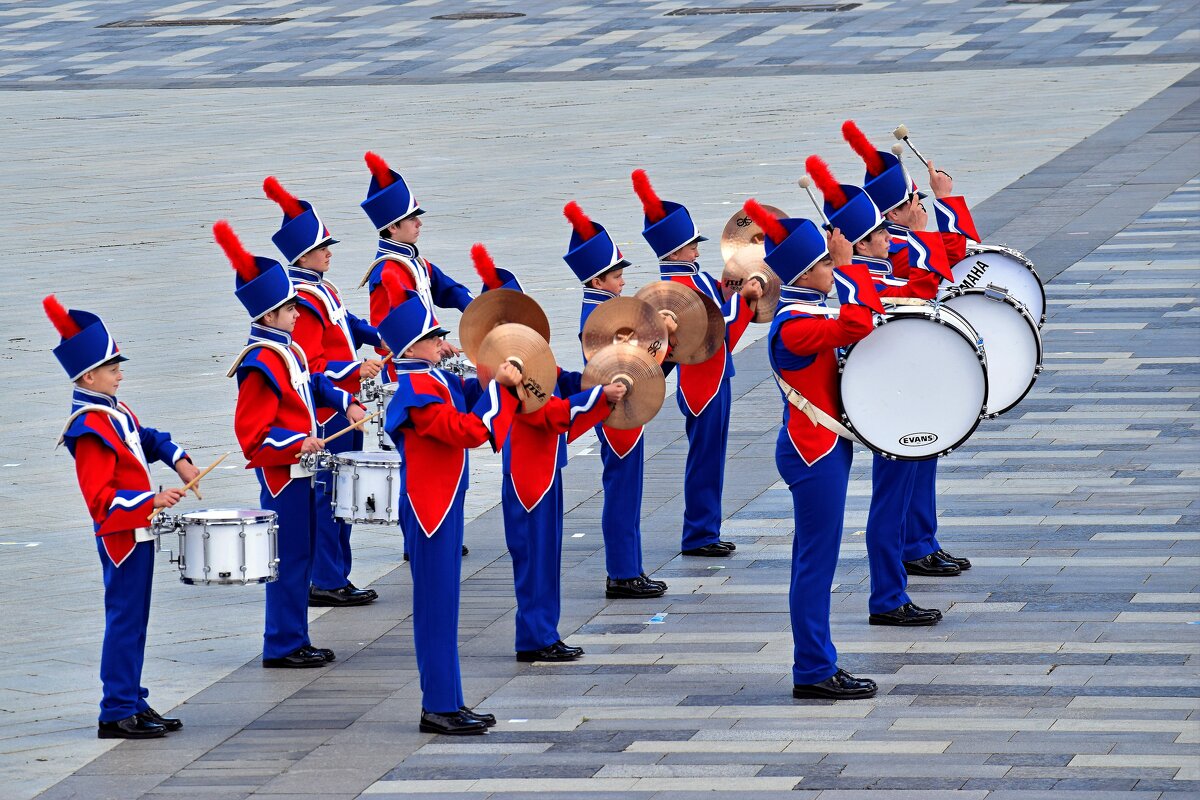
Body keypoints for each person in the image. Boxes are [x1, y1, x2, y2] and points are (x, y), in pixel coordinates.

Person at [744, 198, 882, 699]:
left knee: (816, 558)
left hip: (822, 447)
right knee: (815, 562)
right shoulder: (796, 324)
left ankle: (818, 663)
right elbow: (860, 322)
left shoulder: (805, 309)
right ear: (805, 273)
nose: (832, 266)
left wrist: (843, 270)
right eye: (824, 262)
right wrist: (850, 269)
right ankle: (814, 669)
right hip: (813, 452)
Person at [805, 153, 948, 628]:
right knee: (889, 506)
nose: (892, 237)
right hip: (888, 407)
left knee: (896, 500)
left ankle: (892, 590)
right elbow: (930, 281)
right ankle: (887, 597)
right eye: (882, 234)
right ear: (862, 245)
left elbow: (930, 278)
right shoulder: (867, 284)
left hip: (898, 399)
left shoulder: (873, 278)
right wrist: (933, 219)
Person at [215, 221, 365, 669]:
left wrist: (345, 400)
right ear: (267, 315)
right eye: (289, 309)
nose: (298, 314)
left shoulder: (287, 349)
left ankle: (295, 637)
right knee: (290, 559)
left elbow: (313, 384)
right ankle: (283, 642)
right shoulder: (259, 362)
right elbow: (254, 437)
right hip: (284, 477)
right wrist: (299, 441)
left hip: (303, 468)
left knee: (300, 555)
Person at [376, 267, 520, 735]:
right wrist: (501, 388)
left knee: (445, 606)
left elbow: (469, 395)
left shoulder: (431, 379)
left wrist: (494, 372)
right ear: (412, 347)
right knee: (437, 607)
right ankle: (438, 705)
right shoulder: (417, 391)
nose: (443, 343)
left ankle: (450, 700)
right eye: (434, 337)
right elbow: (468, 430)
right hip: (431, 509)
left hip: (443, 502)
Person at [47, 294, 199, 738]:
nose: (121, 374)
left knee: (136, 619)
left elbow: (145, 439)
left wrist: (179, 457)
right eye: (114, 369)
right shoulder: (89, 426)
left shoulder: (114, 409)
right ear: (90, 375)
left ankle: (133, 697)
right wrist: (150, 501)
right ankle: (115, 709)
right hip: (121, 537)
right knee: (125, 618)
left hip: (138, 531)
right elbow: (100, 499)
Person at [841, 122, 980, 580]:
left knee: (925, 453)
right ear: (894, 213)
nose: (918, 206)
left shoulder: (898, 239)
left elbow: (953, 253)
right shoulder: (894, 248)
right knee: (909, 459)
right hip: (894, 370)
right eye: (912, 202)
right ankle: (912, 545)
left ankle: (922, 539)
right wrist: (936, 217)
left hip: (914, 360)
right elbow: (946, 265)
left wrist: (944, 205)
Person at [471, 244, 622, 662]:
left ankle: (544, 632)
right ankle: (535, 637)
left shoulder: (524, 355)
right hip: (528, 473)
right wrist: (598, 399)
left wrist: (593, 380)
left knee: (545, 555)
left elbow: (559, 380)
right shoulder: (507, 365)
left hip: (543, 467)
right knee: (535, 558)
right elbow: (546, 412)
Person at [263, 175, 385, 608]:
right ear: (304, 254)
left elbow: (348, 323)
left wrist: (382, 336)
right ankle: (327, 576)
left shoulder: (322, 289)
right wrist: (356, 367)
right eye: (323, 247)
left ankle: (337, 572)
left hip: (346, 402)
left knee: (344, 496)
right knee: (331, 496)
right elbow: (313, 364)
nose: (330, 252)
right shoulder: (302, 298)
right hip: (329, 410)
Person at [632, 169, 760, 557]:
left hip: (712, 379)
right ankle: (700, 533)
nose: (697, 251)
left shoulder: (691, 280)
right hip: (703, 384)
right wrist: (743, 300)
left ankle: (706, 528)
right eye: (691, 246)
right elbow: (715, 336)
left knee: (710, 458)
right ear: (674, 252)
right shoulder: (680, 288)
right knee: (705, 460)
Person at [563, 200, 668, 600]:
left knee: (627, 489)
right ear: (597, 280)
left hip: (623, 406)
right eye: (617, 275)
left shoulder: (606, 310)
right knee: (623, 490)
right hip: (616, 410)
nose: (623, 281)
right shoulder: (601, 318)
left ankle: (629, 567)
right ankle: (622, 572)